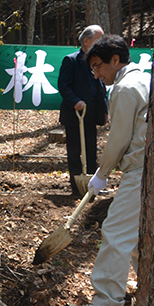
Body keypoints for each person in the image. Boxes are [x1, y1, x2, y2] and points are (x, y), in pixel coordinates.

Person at [69, 35, 150, 306]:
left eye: (98, 66)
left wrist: (101, 174)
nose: (96, 73)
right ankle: (153, 291)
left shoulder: (126, 88)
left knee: (115, 232)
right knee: (142, 236)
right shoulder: (145, 79)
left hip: (140, 171)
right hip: (151, 170)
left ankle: (107, 303)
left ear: (116, 60)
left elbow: (118, 140)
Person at [58, 25, 108, 196]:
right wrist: (75, 102)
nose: (101, 43)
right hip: (75, 116)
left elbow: (101, 86)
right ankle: (77, 188)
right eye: (98, 40)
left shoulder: (98, 61)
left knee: (91, 152)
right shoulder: (71, 60)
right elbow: (63, 86)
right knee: (74, 152)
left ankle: (92, 187)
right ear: (86, 41)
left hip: (91, 115)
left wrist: (104, 110)